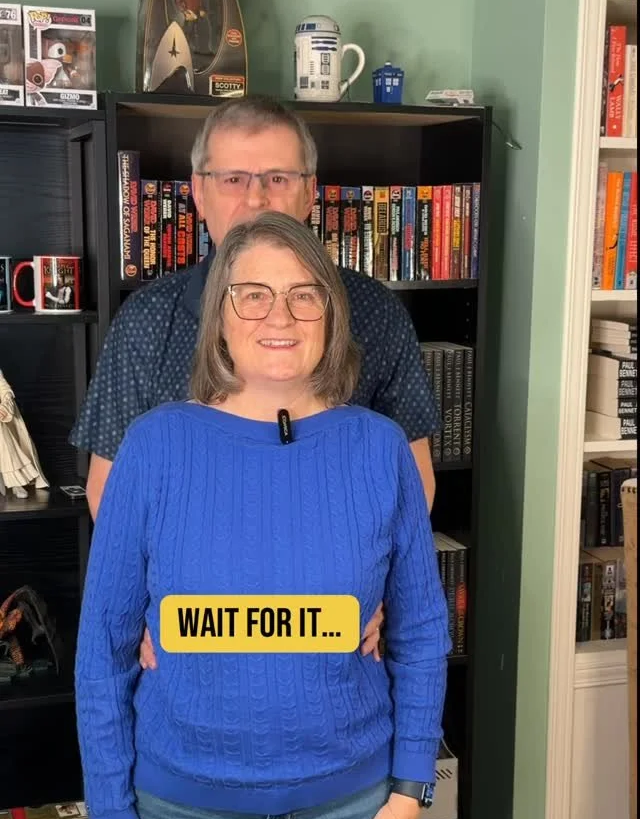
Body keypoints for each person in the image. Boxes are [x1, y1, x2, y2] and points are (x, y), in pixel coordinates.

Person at [74, 210, 450, 819]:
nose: (279, 315)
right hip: (183, 813)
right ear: (219, 315)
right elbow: (103, 648)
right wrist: (110, 815)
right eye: (253, 294)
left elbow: (420, 632)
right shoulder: (154, 446)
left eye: (304, 294)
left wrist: (408, 795)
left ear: (331, 314)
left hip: (344, 810)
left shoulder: (379, 448)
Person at [69, 95, 441, 665]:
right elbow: (109, 489)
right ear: (198, 193)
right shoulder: (146, 321)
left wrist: (382, 596)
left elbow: (413, 483)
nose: (256, 198)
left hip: (333, 638)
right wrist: (147, 601)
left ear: (310, 192)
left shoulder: (377, 314)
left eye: (277, 178)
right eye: (233, 178)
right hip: (194, 635)